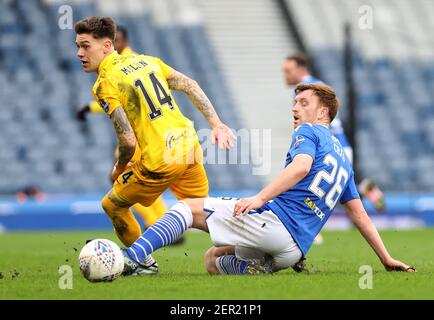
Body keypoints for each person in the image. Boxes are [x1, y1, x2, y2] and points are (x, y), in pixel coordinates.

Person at [121, 83, 415, 276]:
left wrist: (259, 198)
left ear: (323, 112)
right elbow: (360, 214)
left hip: (274, 223)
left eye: (303, 102)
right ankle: (257, 267)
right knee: (213, 260)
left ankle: (133, 258)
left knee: (184, 209)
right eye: (294, 102)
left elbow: (301, 167)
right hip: (294, 249)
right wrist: (386, 258)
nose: (295, 108)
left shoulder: (309, 132)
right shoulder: (344, 163)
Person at [74, 16, 235, 274]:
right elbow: (189, 85)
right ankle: (260, 246)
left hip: (161, 161)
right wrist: (217, 124)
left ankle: (143, 263)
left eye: (85, 46)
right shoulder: (147, 61)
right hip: (190, 148)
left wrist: (119, 167)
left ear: (106, 46)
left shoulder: (105, 83)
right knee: (204, 213)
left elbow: (127, 140)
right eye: (77, 46)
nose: (80, 53)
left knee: (112, 205)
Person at [76, 25, 169, 231]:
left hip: (138, 137)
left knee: (121, 185)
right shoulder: (138, 61)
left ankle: (155, 224)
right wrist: (90, 108)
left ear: (120, 43)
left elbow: (126, 102)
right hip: (148, 137)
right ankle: (163, 224)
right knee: (143, 186)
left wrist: (89, 108)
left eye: (113, 42)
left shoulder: (121, 66)